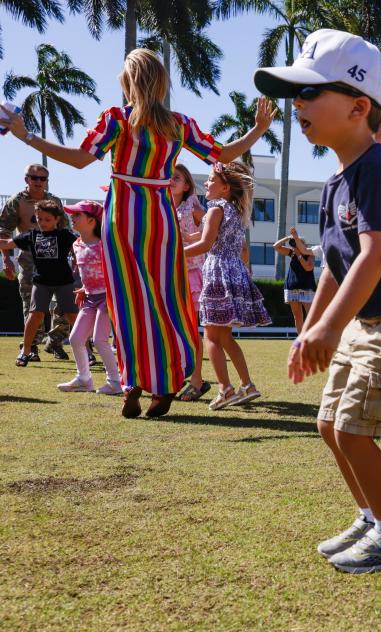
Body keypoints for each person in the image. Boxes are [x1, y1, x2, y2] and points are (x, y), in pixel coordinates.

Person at [0, 48, 275, 419]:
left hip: (123, 221)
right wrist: (258, 129)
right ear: (161, 83)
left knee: (126, 304)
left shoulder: (117, 120)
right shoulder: (179, 124)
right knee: (166, 303)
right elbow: (223, 154)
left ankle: (133, 382)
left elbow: (80, 159)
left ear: (129, 82)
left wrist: (27, 136)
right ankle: (165, 383)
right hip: (159, 222)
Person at [256, 29, 381, 573]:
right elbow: (337, 268)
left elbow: (375, 256)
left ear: (359, 107)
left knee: (355, 430)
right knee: (329, 424)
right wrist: (308, 328)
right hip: (367, 320)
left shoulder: (379, 169)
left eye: (310, 94)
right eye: (296, 94)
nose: (298, 105)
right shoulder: (339, 177)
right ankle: (372, 518)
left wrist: (328, 330)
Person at [184, 161, 271, 411]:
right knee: (226, 337)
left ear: (224, 188)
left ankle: (225, 389)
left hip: (217, 272)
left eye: (212, 179)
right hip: (234, 272)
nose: (207, 183)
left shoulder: (215, 209)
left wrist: (174, 254)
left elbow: (205, 244)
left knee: (210, 335)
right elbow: (212, 239)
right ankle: (247, 385)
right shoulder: (234, 211)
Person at [0, 163, 71, 361]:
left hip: (57, 263)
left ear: (47, 180)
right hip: (29, 262)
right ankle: (30, 348)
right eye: (34, 177)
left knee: (63, 307)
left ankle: (55, 341)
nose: (38, 181)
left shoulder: (55, 201)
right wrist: (7, 260)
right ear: (26, 180)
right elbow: (4, 232)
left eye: (42, 178)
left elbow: (66, 232)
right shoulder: (17, 201)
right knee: (31, 307)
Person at [56, 201, 123, 394]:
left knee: (100, 340)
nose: (72, 218)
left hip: (107, 298)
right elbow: (88, 271)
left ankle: (115, 382)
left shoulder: (106, 244)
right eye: (72, 214)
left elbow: (115, 271)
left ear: (92, 221)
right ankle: (84, 379)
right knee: (76, 338)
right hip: (90, 299)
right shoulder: (77, 244)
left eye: (77, 215)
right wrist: (84, 288)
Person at [170, 164, 210, 402]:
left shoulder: (193, 206)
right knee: (173, 329)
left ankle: (197, 380)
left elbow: (213, 230)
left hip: (191, 273)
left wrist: (190, 237)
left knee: (191, 329)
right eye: (169, 177)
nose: (171, 180)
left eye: (177, 178)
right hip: (169, 273)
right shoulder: (163, 206)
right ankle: (177, 377)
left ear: (186, 186)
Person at [273, 228, 317, 334]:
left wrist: (299, 254)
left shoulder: (310, 253)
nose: (296, 244)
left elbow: (308, 267)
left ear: (303, 245)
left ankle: (311, 337)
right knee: (297, 316)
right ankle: (300, 338)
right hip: (292, 287)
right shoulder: (292, 252)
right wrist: (288, 238)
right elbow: (276, 246)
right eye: (295, 242)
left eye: (298, 242)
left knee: (310, 314)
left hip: (306, 287)